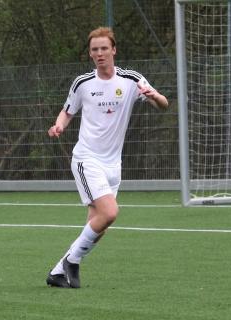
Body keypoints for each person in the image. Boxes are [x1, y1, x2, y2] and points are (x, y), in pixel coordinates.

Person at [45, 27, 168, 289]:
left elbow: (164, 105)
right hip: (87, 159)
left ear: (114, 50)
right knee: (109, 212)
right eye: (94, 50)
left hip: (114, 165)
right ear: (90, 54)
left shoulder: (131, 79)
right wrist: (59, 126)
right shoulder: (83, 83)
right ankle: (73, 261)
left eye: (104, 48)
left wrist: (154, 96)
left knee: (98, 226)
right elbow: (67, 111)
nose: (99, 53)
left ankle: (57, 272)